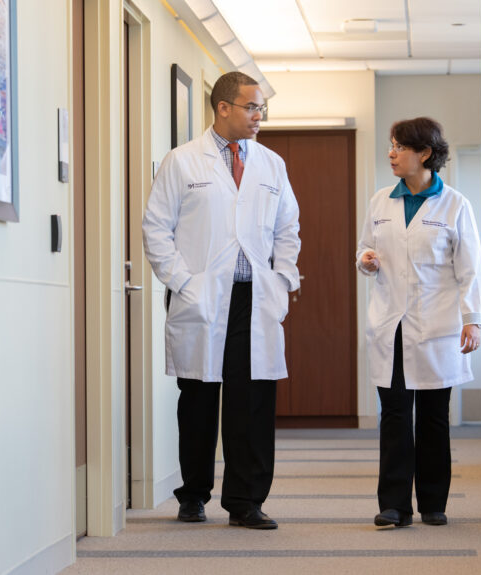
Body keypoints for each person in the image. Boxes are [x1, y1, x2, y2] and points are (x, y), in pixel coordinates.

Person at [142, 71, 301, 530]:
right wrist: (182, 282)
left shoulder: (272, 164)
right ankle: (192, 495)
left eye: (262, 109)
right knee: (198, 399)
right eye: (252, 107)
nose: (259, 116)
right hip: (203, 297)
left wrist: (284, 277)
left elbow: (288, 228)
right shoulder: (182, 162)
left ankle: (245, 500)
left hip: (255, 296)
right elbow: (156, 228)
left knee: (251, 403)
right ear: (223, 108)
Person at [356, 117, 481, 528]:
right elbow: (364, 249)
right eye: (390, 146)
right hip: (390, 324)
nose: (391, 154)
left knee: (432, 416)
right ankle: (393, 504)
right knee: (393, 415)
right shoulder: (380, 201)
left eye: (399, 147)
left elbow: (471, 270)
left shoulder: (455, 204)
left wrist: (474, 320)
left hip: (436, 326)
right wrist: (365, 261)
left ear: (425, 154)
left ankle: (433, 502)